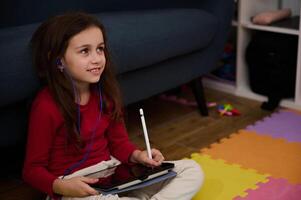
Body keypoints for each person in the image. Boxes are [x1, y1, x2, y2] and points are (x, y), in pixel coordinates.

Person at [23, 12, 204, 200]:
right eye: (85, 51)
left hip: (114, 179)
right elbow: (32, 170)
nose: (97, 59)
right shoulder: (46, 106)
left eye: (100, 49)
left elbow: (119, 143)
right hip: (76, 188)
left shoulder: (106, 94)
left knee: (191, 170)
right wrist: (62, 187)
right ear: (58, 60)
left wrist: (137, 156)